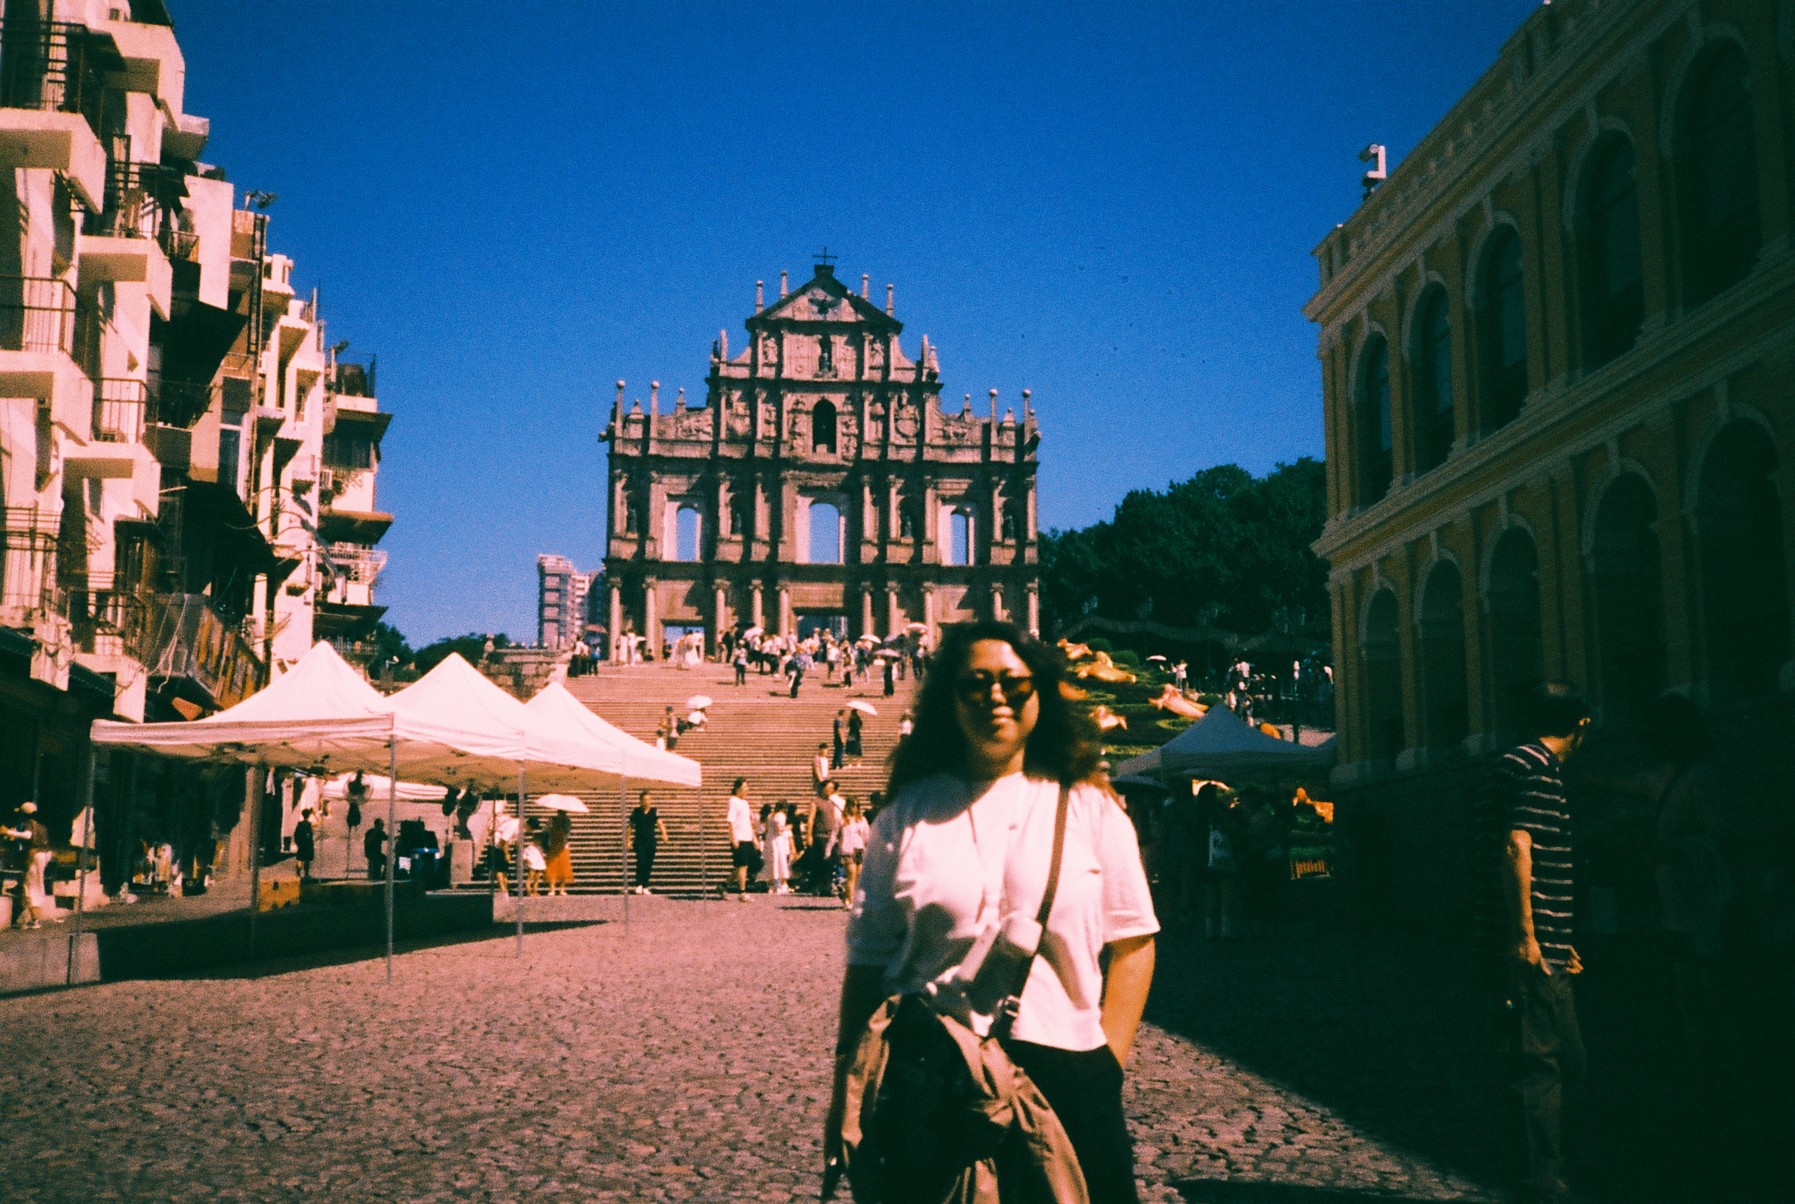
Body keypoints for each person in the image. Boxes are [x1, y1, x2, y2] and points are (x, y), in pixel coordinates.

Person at [830, 621, 1158, 1203]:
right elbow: (868, 961)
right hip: (931, 1075)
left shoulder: (1091, 806)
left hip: (1065, 1073)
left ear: (1041, 692)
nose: (995, 696)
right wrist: (847, 1090)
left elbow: (1133, 941)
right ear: (949, 698)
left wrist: (1108, 1061)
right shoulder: (906, 812)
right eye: (974, 683)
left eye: (1014, 681)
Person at [1478, 681, 1592, 1204]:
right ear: (1582, 725)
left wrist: (1554, 936)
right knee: (1544, 1063)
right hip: (1531, 945)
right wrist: (1527, 935)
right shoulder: (1540, 770)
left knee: (1561, 1057)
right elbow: (1516, 846)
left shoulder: (1509, 764)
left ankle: (1535, 1166)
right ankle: (1541, 1179)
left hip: (1540, 938)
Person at [628, 791, 671, 894]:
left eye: (649, 799)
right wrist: (628, 840)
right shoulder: (636, 811)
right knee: (641, 861)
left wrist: (664, 833)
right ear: (640, 801)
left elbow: (660, 823)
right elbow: (630, 826)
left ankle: (645, 885)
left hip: (650, 840)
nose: (647, 802)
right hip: (639, 840)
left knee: (648, 863)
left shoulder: (654, 811)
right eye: (645, 800)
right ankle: (639, 884)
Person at [836, 797, 869, 911]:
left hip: (859, 848)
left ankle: (848, 895)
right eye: (853, 805)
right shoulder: (842, 819)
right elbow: (834, 834)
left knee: (859, 875)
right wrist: (829, 850)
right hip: (847, 850)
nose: (855, 808)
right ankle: (850, 901)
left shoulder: (861, 819)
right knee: (851, 874)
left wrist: (867, 846)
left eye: (857, 805)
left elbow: (866, 834)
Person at [726, 778, 756, 902]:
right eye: (744, 787)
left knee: (743, 866)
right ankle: (742, 892)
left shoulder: (745, 803)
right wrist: (733, 837)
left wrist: (754, 838)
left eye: (747, 787)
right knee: (742, 865)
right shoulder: (733, 801)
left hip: (747, 837)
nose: (747, 790)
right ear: (737, 788)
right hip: (739, 837)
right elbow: (730, 820)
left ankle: (723, 886)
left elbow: (748, 822)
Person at [763, 802, 795, 895]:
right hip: (778, 841)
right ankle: (781, 884)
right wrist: (788, 827)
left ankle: (772, 885)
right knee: (781, 861)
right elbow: (779, 829)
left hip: (770, 840)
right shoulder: (780, 815)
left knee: (773, 862)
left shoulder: (770, 816)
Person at [543, 811, 574, 896]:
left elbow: (567, 833)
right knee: (553, 867)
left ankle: (559, 889)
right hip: (554, 845)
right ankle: (554, 888)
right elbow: (545, 831)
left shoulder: (566, 821)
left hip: (561, 846)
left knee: (563, 867)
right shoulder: (553, 820)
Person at [521, 818, 547, 895]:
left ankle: (535, 891)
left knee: (537, 879)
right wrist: (526, 860)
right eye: (537, 840)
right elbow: (523, 854)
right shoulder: (530, 847)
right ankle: (529, 892)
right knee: (530, 878)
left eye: (539, 840)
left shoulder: (541, 848)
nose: (538, 841)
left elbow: (542, 855)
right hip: (532, 864)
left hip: (539, 864)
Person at [292, 809, 316, 881]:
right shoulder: (308, 824)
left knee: (299, 859)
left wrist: (298, 843)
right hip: (307, 844)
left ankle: (298, 873)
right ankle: (306, 874)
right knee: (307, 860)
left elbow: (295, 834)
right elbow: (311, 834)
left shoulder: (299, 824)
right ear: (308, 816)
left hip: (301, 844)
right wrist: (314, 814)